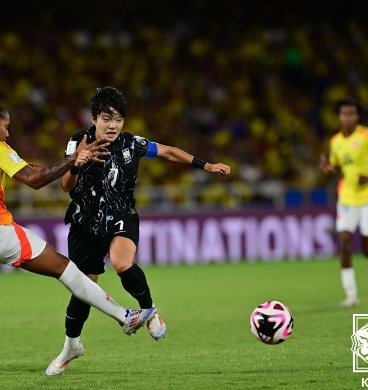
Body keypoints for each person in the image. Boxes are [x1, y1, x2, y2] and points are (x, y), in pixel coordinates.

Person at [0, 101, 158, 382]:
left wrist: (74, 162)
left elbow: (29, 166)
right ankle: (123, 316)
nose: (8, 133)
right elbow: (34, 179)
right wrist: (73, 159)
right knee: (66, 269)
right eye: (5, 127)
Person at [45, 87, 231, 376]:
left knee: (122, 262)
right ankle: (71, 346)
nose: (113, 125)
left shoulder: (133, 143)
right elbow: (65, 186)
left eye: (118, 119)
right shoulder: (77, 142)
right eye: (107, 118)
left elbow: (168, 151)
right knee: (83, 288)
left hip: (121, 216)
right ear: (94, 118)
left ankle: (150, 310)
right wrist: (76, 164)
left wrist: (205, 165)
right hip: (86, 223)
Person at [320, 98, 368, 308]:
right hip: (347, 197)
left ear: (358, 116)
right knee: (345, 242)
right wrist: (328, 169)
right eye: (344, 114)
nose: (348, 117)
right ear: (339, 117)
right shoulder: (335, 141)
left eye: (352, 114)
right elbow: (337, 167)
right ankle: (351, 296)